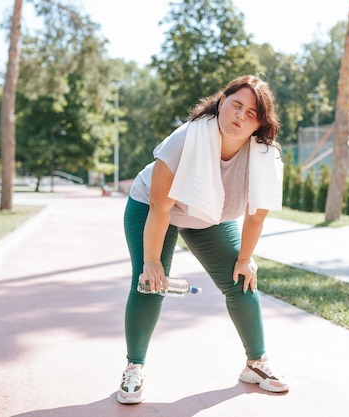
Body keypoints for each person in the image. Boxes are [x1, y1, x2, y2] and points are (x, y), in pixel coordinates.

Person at [117, 75, 288, 405]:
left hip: (209, 216)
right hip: (154, 207)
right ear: (221, 102)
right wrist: (152, 262)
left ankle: (256, 364)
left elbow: (256, 215)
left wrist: (245, 258)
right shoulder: (184, 139)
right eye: (236, 105)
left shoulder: (265, 156)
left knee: (242, 281)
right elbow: (160, 205)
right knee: (149, 283)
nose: (240, 116)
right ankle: (133, 367)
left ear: (260, 124)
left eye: (251, 113)